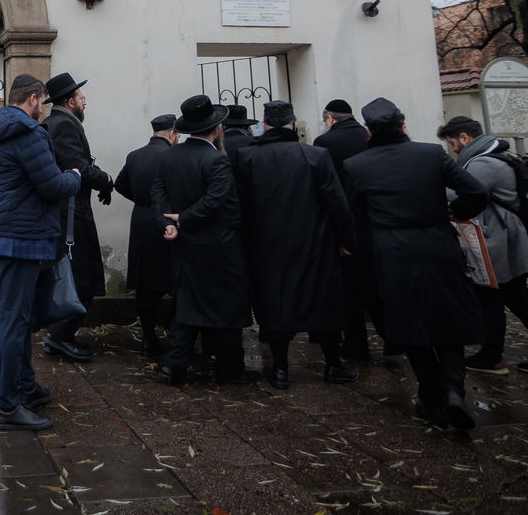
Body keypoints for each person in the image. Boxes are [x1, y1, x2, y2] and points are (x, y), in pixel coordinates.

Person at [343, 98, 488, 430]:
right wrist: (457, 212)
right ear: (403, 126)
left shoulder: (356, 165)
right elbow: (477, 192)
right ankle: (453, 391)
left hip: (392, 248)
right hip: (437, 242)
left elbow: (353, 215)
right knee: (447, 317)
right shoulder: (431, 154)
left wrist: (362, 249)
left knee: (409, 320)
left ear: (369, 131)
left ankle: (430, 392)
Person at [0, 74, 82, 430]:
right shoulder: (30, 134)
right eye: (43, 101)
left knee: (17, 315)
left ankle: (24, 386)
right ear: (33, 99)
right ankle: (6, 407)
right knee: (15, 321)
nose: (43, 108)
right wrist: (75, 176)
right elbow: (52, 185)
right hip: (20, 237)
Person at [436, 116, 528, 376]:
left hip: (498, 239)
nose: (453, 148)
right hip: (508, 237)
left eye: (453, 142)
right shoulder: (498, 155)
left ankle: (492, 357)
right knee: (518, 299)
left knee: (492, 297)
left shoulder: (482, 163)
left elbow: (456, 194)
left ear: (465, 138)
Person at [234, 101, 357, 389]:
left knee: (274, 303)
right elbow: (337, 203)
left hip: (265, 245)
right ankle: (333, 365)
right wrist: (347, 241)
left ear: (264, 125)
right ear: (292, 124)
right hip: (315, 242)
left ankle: (279, 370)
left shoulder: (246, 158)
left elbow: (239, 206)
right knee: (323, 301)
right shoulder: (316, 155)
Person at [153, 94, 259, 386]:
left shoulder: (169, 156)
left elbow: (158, 193)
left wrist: (167, 222)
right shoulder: (216, 160)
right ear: (216, 128)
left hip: (184, 244)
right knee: (228, 307)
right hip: (218, 245)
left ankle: (175, 363)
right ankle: (230, 369)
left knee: (188, 304)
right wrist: (182, 218)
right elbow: (215, 201)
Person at [41, 72, 114, 362]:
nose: (86, 102)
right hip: (70, 213)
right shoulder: (63, 125)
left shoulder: (58, 122)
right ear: (71, 102)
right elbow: (78, 166)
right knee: (84, 278)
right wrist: (106, 180)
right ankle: (58, 336)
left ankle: (59, 335)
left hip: (69, 210)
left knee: (78, 276)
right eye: (82, 98)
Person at [314, 98, 381, 362]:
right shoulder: (368, 137)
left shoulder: (325, 144)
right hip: (375, 220)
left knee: (349, 291)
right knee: (376, 285)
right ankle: (395, 339)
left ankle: (356, 345)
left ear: (329, 118)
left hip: (345, 221)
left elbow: (327, 189)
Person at [113, 113, 178, 357]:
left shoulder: (134, 155)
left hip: (140, 220)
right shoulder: (173, 155)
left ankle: (148, 339)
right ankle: (176, 337)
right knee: (173, 279)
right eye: (177, 135)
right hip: (168, 220)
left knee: (144, 282)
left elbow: (120, 185)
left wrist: (141, 201)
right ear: (172, 133)